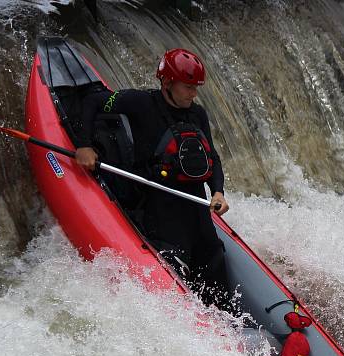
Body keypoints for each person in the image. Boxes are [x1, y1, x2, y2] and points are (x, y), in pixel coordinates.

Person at [74, 48, 234, 312]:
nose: (194, 94)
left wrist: (218, 192)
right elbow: (93, 103)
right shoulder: (139, 103)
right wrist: (84, 145)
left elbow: (212, 157)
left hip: (196, 208)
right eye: (188, 88)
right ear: (168, 83)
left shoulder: (197, 114)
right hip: (159, 208)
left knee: (214, 258)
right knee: (177, 263)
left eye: (196, 88)